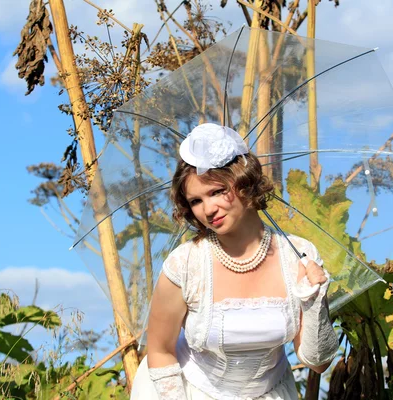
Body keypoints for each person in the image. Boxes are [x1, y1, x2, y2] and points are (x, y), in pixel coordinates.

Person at [130, 123, 338, 400]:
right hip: (191, 391)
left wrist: (315, 304)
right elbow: (159, 351)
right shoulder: (185, 265)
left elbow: (318, 362)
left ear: (245, 183)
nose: (208, 209)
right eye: (195, 201)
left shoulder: (298, 255)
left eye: (216, 192)